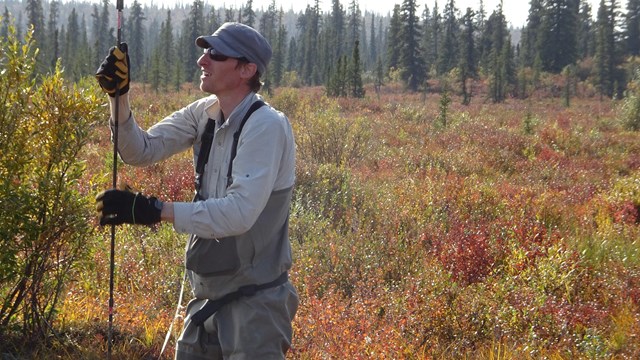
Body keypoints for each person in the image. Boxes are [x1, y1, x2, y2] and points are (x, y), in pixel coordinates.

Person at [95, 22, 298, 359]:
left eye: (216, 54)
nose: (203, 60)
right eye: (205, 51)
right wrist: (119, 97)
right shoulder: (203, 113)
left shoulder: (267, 126)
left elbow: (239, 214)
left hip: (256, 307)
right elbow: (139, 151)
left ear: (247, 69)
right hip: (205, 301)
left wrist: (156, 209)